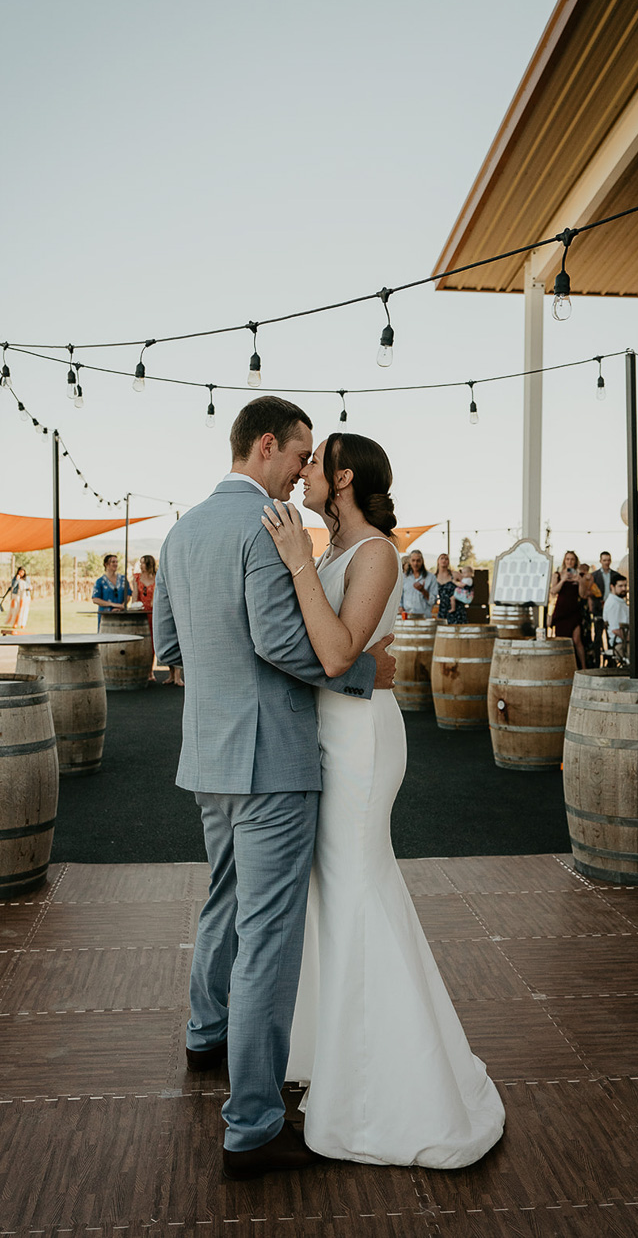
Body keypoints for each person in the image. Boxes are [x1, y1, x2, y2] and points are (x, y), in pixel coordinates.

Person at [152, 396, 396, 1182]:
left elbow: (170, 647)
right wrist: (364, 671)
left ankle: (203, 1033)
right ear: (266, 446)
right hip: (269, 765)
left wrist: (219, 699)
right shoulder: (262, 526)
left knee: (223, 898)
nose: (301, 474)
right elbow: (283, 641)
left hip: (208, 759)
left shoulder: (182, 529)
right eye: (298, 456)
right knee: (267, 937)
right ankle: (252, 1124)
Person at [262, 432, 504, 1169]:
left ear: (339, 478)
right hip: (327, 735)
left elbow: (337, 653)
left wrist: (300, 564)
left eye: (312, 463)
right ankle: (336, 1059)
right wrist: (306, 563)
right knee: (332, 896)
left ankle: (395, 1091)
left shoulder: (373, 554)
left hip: (362, 743)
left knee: (358, 890)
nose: (300, 473)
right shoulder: (336, 550)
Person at [549, 550, 590, 668]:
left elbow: (582, 595)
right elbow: (553, 591)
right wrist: (563, 580)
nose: (569, 561)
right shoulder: (557, 574)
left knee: (577, 640)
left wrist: (580, 581)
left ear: (575, 561)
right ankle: (561, 666)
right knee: (561, 641)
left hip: (574, 611)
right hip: (562, 610)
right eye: (567, 559)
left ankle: (583, 667)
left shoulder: (580, 576)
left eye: (572, 559)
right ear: (564, 561)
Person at [132, 554, 161, 684]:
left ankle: (150, 670)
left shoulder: (157, 578)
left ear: (149, 564)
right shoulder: (137, 578)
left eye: (143, 563)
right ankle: (140, 671)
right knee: (141, 643)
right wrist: (133, 608)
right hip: (141, 614)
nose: (141, 565)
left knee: (152, 644)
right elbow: (135, 596)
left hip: (154, 614)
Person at [590, 552, 624, 662]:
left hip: (611, 607)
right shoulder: (594, 575)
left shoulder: (615, 575)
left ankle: (611, 661)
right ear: (600, 561)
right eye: (604, 560)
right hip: (599, 609)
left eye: (608, 560)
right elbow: (591, 592)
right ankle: (597, 661)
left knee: (611, 636)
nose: (606, 562)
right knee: (598, 637)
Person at [91, 553, 131, 630]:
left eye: (116, 562)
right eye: (113, 562)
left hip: (121, 615)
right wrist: (113, 605)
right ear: (106, 564)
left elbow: (128, 594)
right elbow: (95, 599)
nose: (115, 564)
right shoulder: (100, 581)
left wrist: (121, 606)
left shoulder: (123, 579)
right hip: (106, 616)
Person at [400, 548, 438, 618]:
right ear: (410, 561)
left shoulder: (431, 577)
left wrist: (423, 591)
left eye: (418, 561)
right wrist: (400, 607)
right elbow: (400, 597)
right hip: (407, 617)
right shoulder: (404, 577)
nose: (415, 563)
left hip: (424, 617)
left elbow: (433, 601)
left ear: (422, 561)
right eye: (413, 560)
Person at [602, 575, 630, 647]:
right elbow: (615, 630)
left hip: (625, 640)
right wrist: (636, 639)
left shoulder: (618, 601)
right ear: (612, 587)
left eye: (625, 585)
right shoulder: (613, 604)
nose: (624, 588)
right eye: (620, 586)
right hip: (621, 644)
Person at [4, 566, 32, 631]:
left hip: (25, 595)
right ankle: (15, 622)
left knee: (24, 610)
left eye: (22, 571)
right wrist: (17, 579)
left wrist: (29, 588)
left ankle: (23, 624)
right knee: (16, 609)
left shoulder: (27, 578)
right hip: (18, 595)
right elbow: (13, 586)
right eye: (20, 571)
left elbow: (28, 586)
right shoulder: (15, 578)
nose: (21, 573)